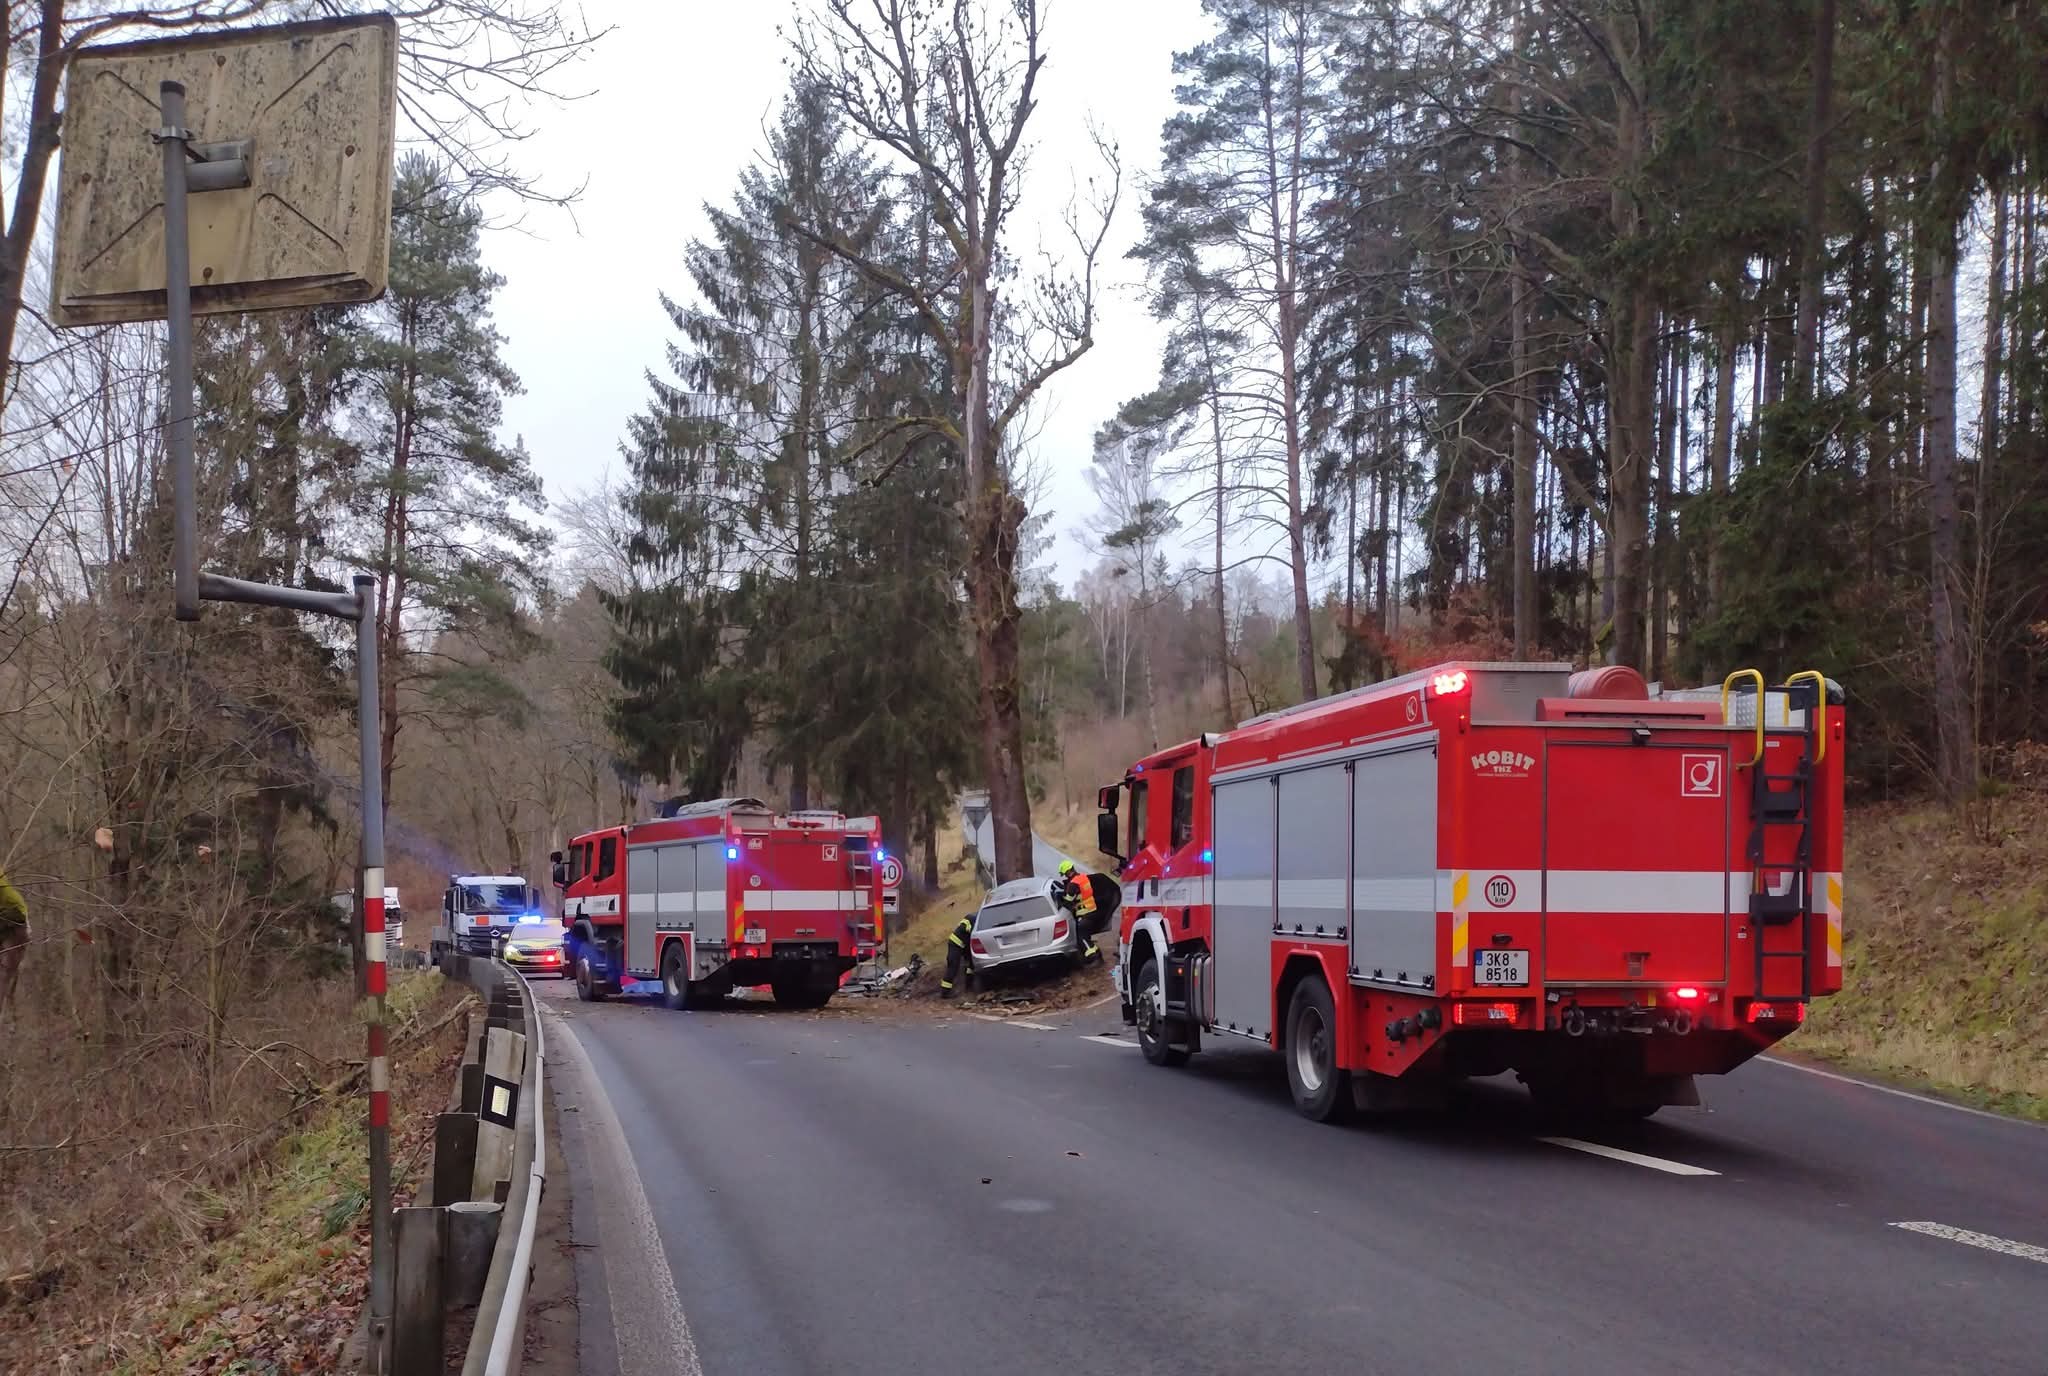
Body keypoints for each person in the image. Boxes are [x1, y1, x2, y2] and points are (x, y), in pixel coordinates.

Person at [1055, 860, 1102, 964]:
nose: (1065, 876)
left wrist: (1060, 900)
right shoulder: (1083, 877)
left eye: (1064, 874)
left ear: (1068, 872)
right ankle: (1098, 953)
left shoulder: (1073, 884)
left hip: (1084, 914)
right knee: (1086, 936)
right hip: (1093, 911)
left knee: (1081, 936)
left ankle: (1093, 957)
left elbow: (1068, 902)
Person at [0, 865, 28, 1020]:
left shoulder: (7, 893)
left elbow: (19, 914)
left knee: (4, 973)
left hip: (15, 922)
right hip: (10, 922)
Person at [940, 911, 975, 998]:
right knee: (953, 967)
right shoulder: (972, 918)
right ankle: (945, 993)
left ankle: (968, 987)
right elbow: (967, 927)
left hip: (965, 945)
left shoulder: (974, 918)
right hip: (955, 945)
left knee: (971, 964)